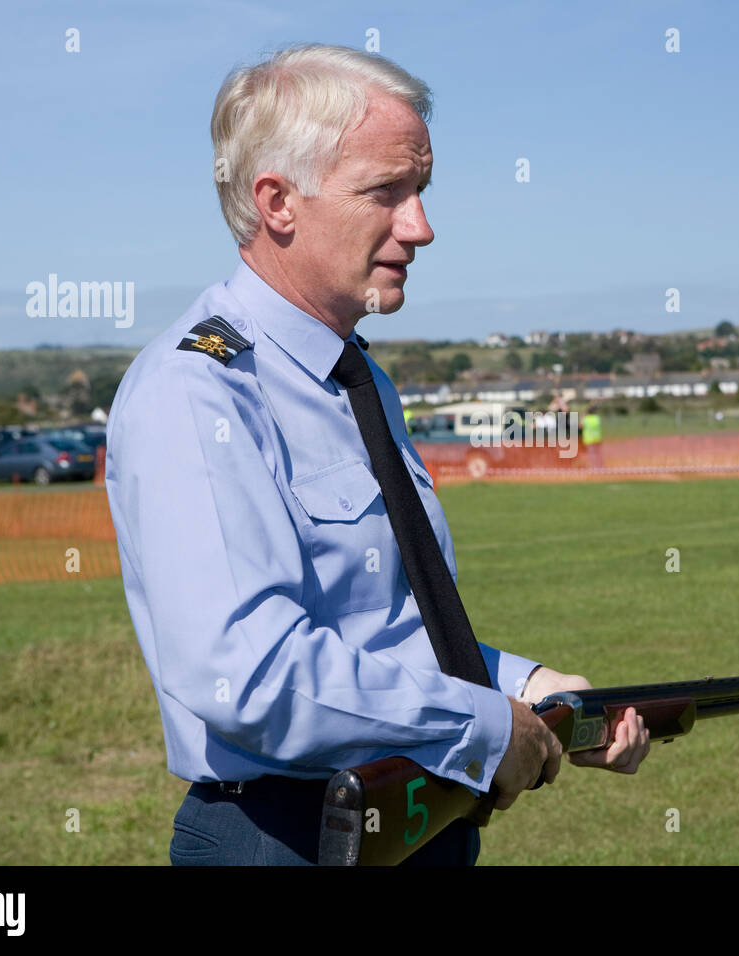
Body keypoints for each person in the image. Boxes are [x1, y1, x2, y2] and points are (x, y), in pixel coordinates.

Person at [104, 43, 649, 866]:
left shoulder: (355, 377)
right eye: (386, 191)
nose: (421, 226)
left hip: (411, 820)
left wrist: (534, 691)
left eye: (421, 189)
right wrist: (481, 725)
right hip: (287, 836)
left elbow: (385, 630)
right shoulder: (201, 392)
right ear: (278, 201)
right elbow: (246, 675)